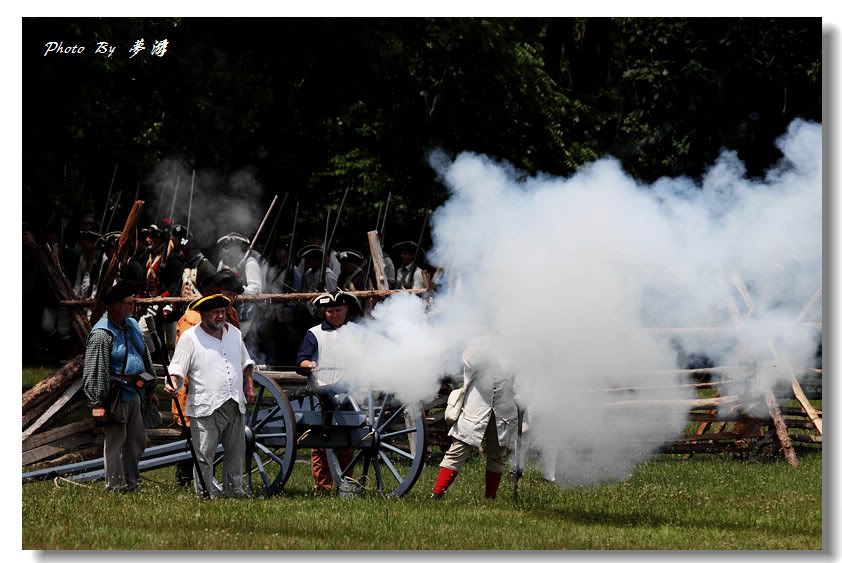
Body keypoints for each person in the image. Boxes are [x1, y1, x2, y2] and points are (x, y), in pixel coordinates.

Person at [165, 293, 255, 498]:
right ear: (203, 314)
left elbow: (246, 363)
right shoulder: (190, 337)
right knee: (204, 454)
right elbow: (177, 369)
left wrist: (248, 385)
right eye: (215, 313)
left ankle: (235, 492)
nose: (220, 316)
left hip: (234, 403)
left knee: (235, 453)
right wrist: (173, 384)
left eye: (222, 312)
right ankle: (205, 494)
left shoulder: (234, 333)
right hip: (206, 406)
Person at [82, 279, 158, 492]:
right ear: (116, 305)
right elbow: (94, 370)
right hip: (114, 395)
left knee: (136, 440)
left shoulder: (131, 324)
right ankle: (115, 486)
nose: (133, 307)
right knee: (115, 442)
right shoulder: (101, 334)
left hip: (134, 391)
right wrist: (98, 402)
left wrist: (150, 387)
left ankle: (132, 484)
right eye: (129, 303)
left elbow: (143, 356)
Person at [431, 336, 518, 500]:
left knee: (496, 457)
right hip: (474, 411)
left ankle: (490, 498)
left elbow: (518, 380)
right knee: (456, 452)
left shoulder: (512, 352)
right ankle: (436, 494)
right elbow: (469, 360)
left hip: (503, 412)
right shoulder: (478, 346)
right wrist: (486, 344)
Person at [296, 290, 360, 492]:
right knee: (320, 442)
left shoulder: (358, 332)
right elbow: (302, 360)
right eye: (330, 310)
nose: (334, 314)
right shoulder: (314, 333)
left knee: (347, 440)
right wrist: (308, 364)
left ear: (346, 309)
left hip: (352, 393)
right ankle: (323, 486)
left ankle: (347, 483)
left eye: (338, 310)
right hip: (322, 392)